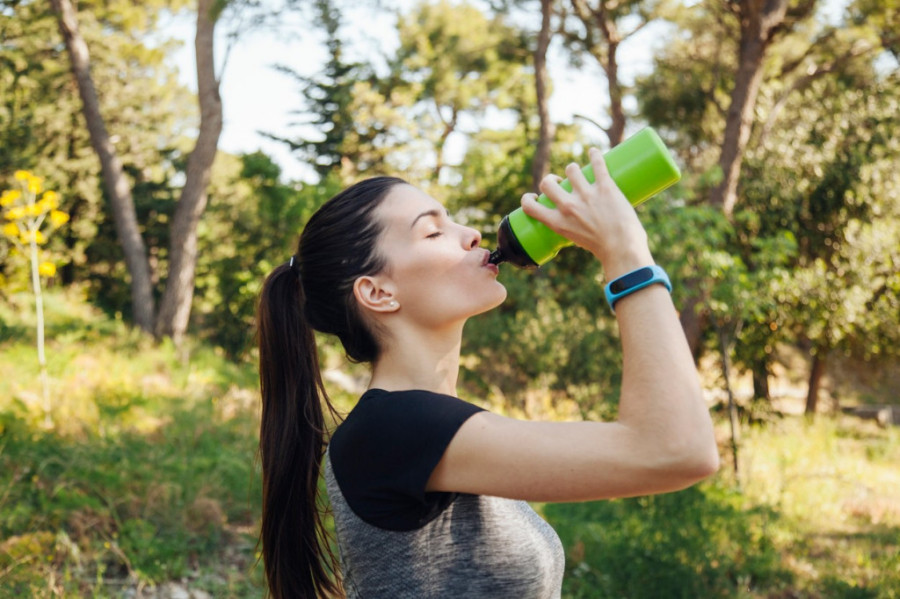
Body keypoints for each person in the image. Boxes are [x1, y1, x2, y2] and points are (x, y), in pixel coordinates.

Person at [256, 149, 719, 599]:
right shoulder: (393, 429)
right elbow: (675, 449)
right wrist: (625, 253)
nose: (472, 233)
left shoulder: (437, 429)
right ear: (377, 292)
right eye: (433, 232)